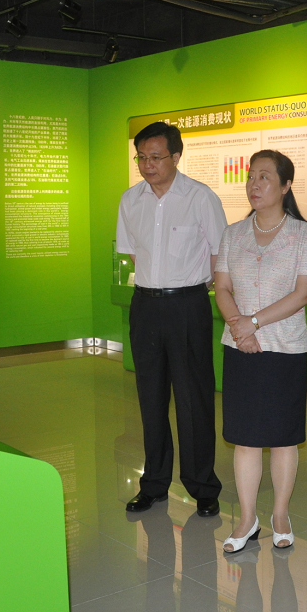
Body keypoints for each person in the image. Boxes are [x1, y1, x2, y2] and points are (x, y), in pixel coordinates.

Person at [213, 150, 307, 553]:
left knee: (282, 437)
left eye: (264, 177)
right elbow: (222, 287)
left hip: (284, 348)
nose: (254, 185)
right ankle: (247, 519)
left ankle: (279, 514)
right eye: (251, 176)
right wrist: (239, 327)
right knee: (244, 438)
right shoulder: (232, 234)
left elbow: (304, 293)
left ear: (285, 185)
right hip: (240, 347)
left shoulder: (305, 235)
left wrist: (252, 322)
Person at [116, 122, 226, 518]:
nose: (147, 165)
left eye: (156, 157)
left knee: (194, 398)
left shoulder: (200, 197)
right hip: (145, 306)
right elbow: (132, 253)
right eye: (141, 157)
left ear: (176, 157)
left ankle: (202, 485)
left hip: (188, 306)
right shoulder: (130, 200)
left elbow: (220, 253)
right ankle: (154, 483)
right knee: (150, 398)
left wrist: (196, 287)